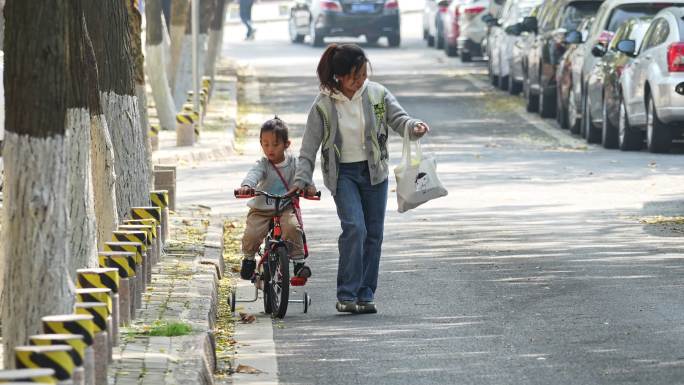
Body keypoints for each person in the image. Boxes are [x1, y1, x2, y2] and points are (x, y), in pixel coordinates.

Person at [291, 44, 430, 314]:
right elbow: (308, 149)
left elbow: (400, 119)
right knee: (355, 228)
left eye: (364, 74)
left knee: (374, 235)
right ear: (339, 76)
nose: (361, 80)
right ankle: (346, 293)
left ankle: (365, 294)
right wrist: (302, 179)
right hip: (343, 175)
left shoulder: (377, 94)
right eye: (355, 76)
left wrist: (414, 127)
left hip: (374, 172)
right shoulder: (323, 105)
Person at [238, 117, 316, 281]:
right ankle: (249, 259)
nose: (270, 149)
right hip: (262, 208)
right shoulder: (264, 164)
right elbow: (254, 174)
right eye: (265, 144)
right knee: (252, 233)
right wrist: (247, 186)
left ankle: (299, 263)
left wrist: (309, 187)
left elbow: (304, 175)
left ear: (286, 144)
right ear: (261, 143)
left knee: (293, 228)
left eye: (275, 144)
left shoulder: (294, 163)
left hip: (285, 207)